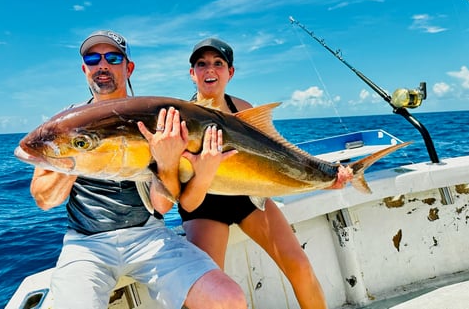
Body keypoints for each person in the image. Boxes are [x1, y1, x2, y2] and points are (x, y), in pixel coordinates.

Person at [29, 30, 247, 309]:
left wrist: (166, 161)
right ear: (84, 69)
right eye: (93, 58)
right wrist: (76, 149)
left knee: (228, 298)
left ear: (128, 67)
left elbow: (161, 206)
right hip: (86, 244)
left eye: (113, 58)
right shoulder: (65, 124)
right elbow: (44, 199)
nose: (102, 65)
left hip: (149, 235)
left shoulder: (155, 118)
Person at [178, 38, 328, 309]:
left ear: (230, 72)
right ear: (192, 74)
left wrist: (325, 177)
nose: (209, 69)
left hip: (248, 198)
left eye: (218, 63)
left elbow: (280, 157)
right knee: (207, 293)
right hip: (203, 204)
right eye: (201, 64)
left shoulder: (243, 109)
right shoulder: (181, 116)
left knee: (300, 267)